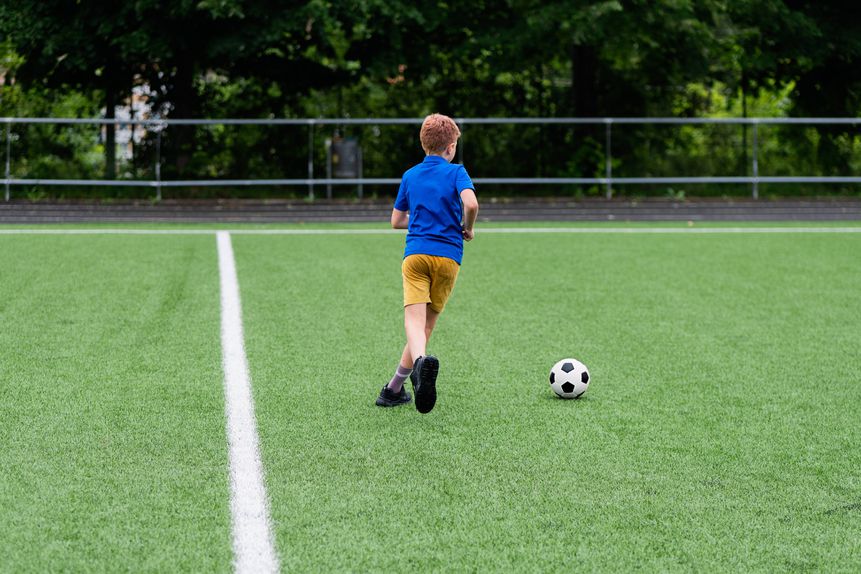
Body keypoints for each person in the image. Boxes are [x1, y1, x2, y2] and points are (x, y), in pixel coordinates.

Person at [375, 113, 479, 414]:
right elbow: (471, 203)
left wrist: (421, 220)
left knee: (413, 322)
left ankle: (412, 371)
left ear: (424, 145)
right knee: (426, 325)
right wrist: (468, 227)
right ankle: (395, 388)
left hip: (416, 255)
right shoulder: (457, 172)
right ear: (451, 147)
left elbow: (396, 221)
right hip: (448, 257)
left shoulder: (410, 175)